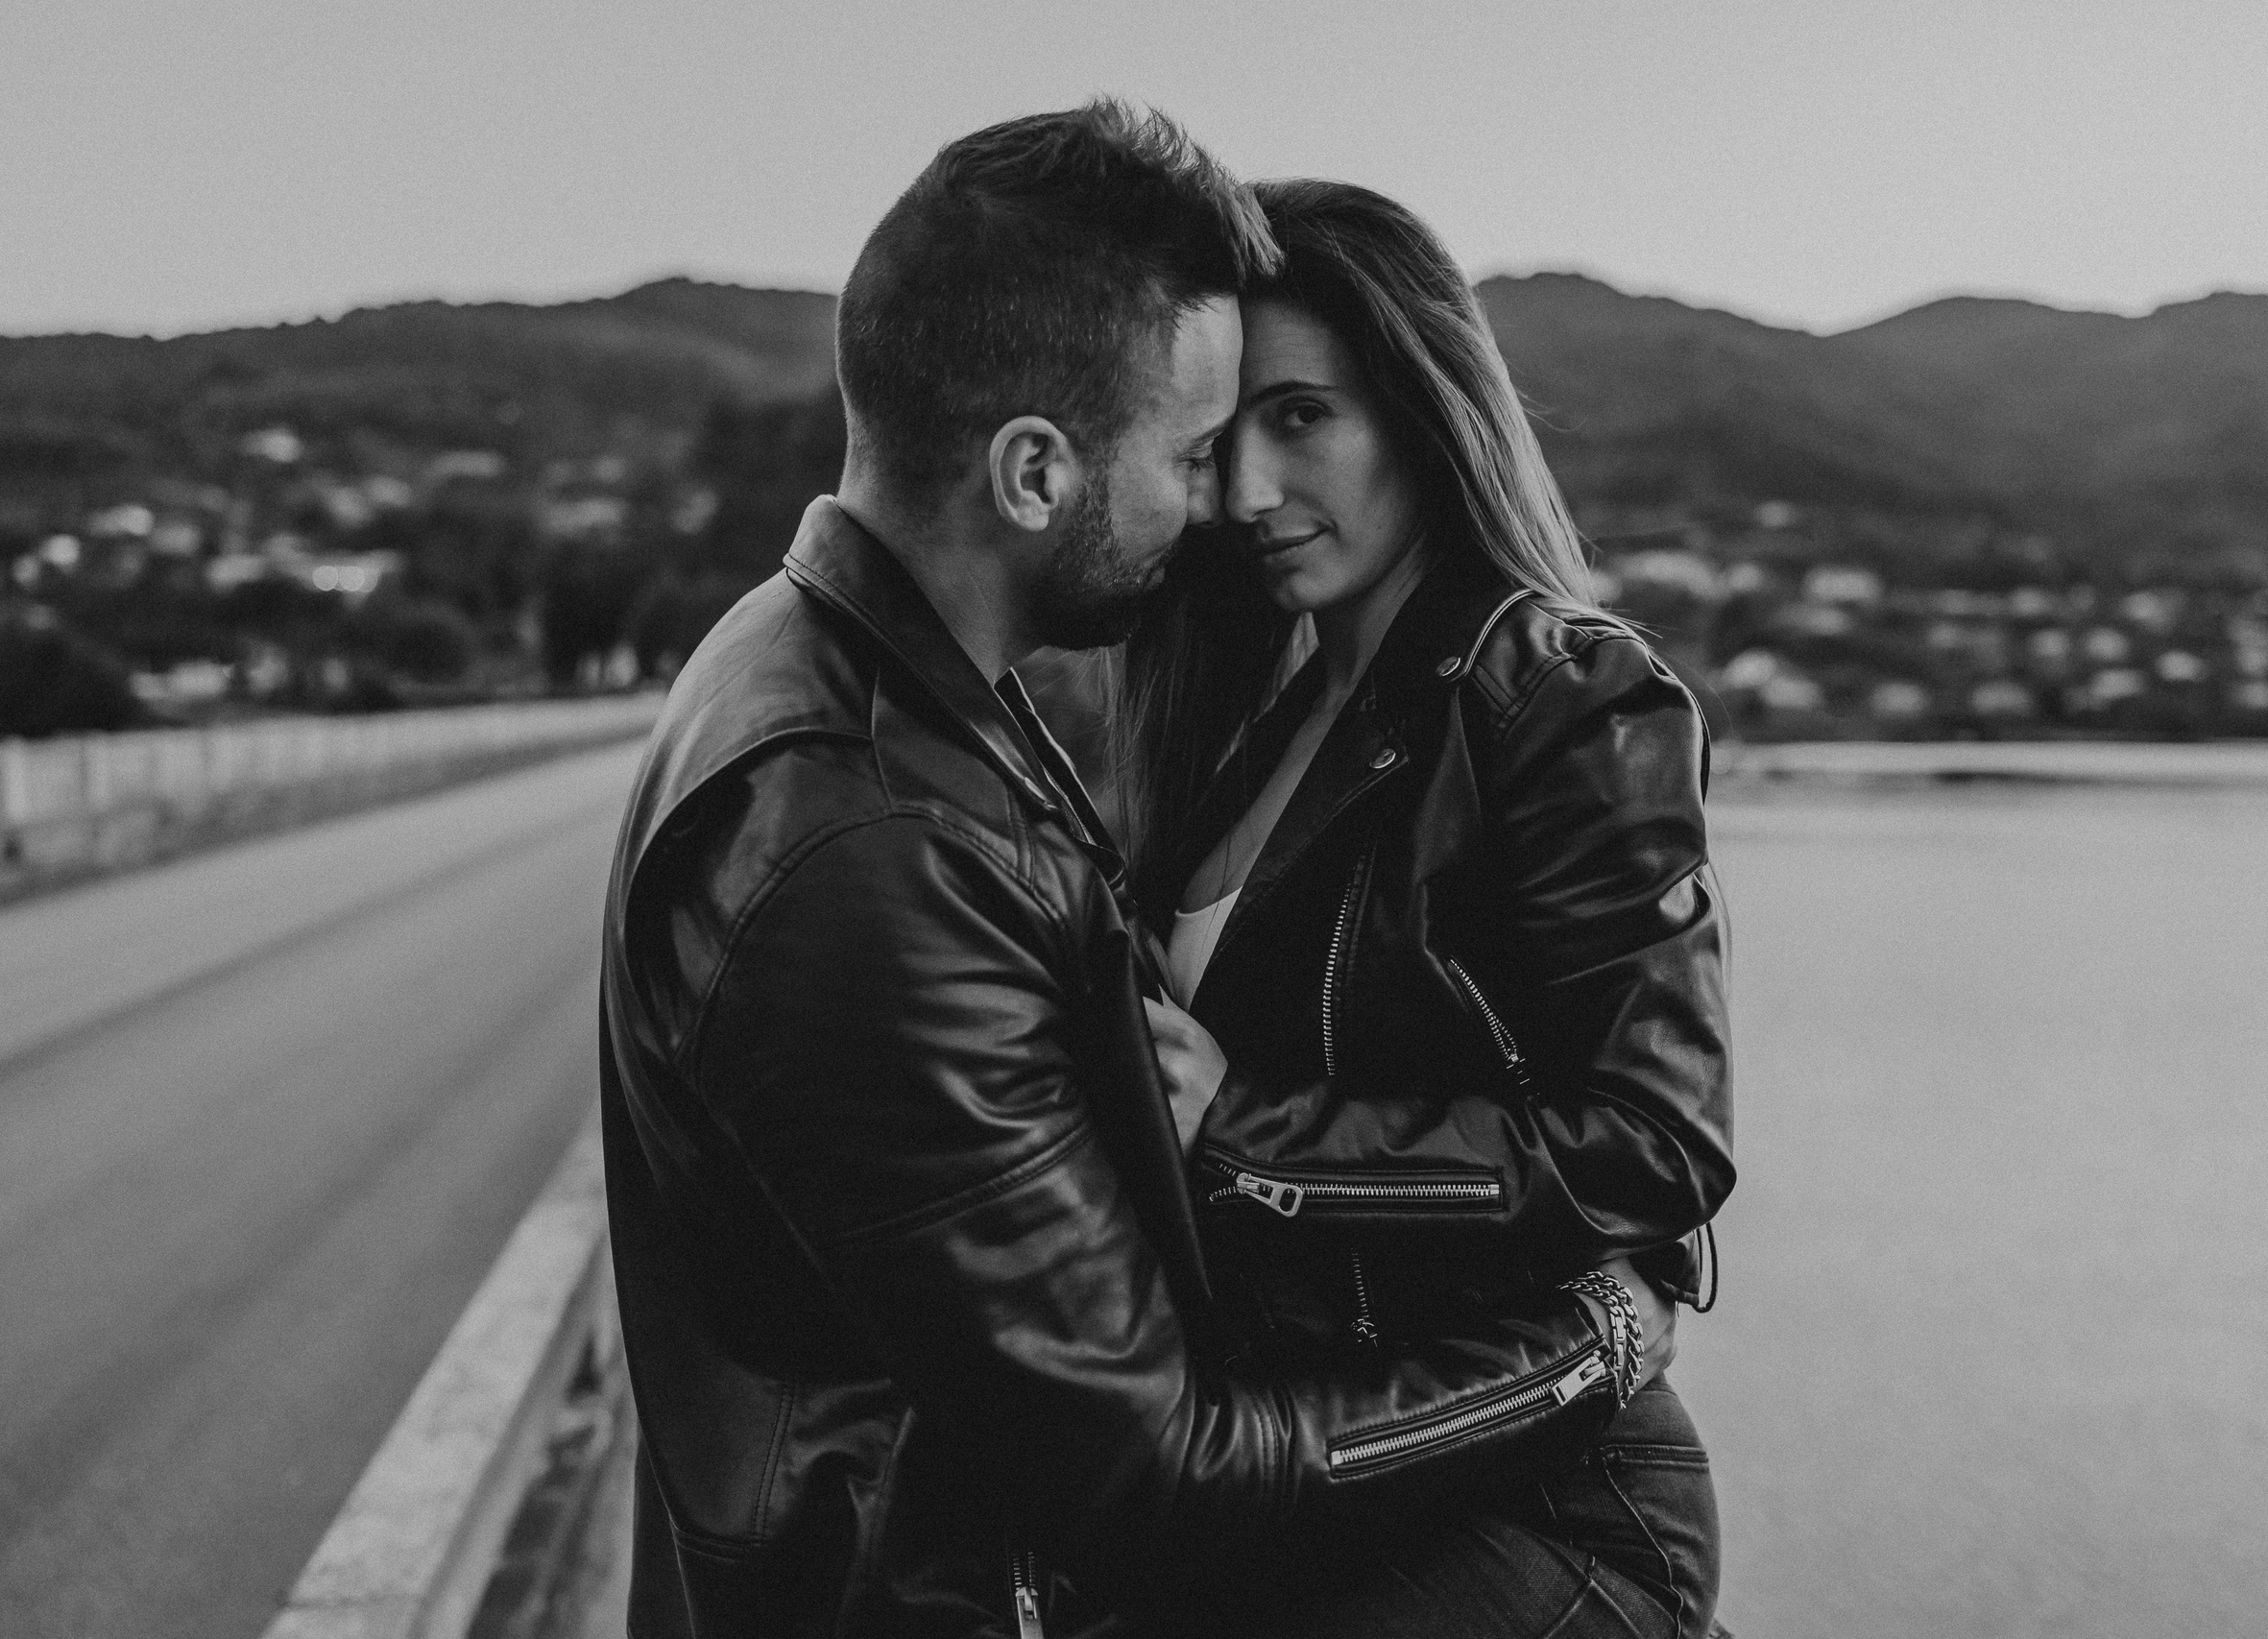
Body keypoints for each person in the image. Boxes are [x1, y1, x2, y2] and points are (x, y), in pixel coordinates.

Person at [599, 107, 1667, 1638]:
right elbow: (1152, 1473)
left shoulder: (840, 685)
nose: (1222, 503)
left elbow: (1648, 1126)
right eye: (1191, 452)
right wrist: (1589, 1347)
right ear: (1035, 471)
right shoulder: (877, 835)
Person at [1121, 179, 1736, 1637]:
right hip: (1319, 1476)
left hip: (1542, 1505)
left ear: (1422, 407)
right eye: (1221, 439)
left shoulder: (1566, 694)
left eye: (1302, 418)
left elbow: (1658, 1145)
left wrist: (1250, 1133)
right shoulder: (1256, 719)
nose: (1248, 493)